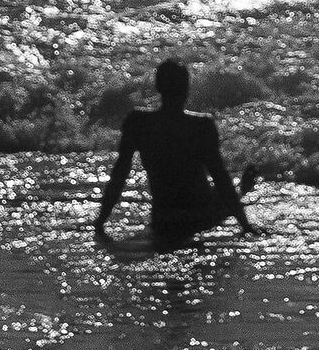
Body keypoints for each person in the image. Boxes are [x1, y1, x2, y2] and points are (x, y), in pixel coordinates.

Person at [95, 59, 258, 247]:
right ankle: (242, 190)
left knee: (217, 194)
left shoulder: (138, 123)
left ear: (158, 87)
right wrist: (246, 226)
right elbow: (220, 177)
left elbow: (120, 174)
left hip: (163, 217)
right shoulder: (201, 126)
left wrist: (100, 222)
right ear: (187, 89)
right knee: (221, 195)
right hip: (201, 215)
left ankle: (241, 189)